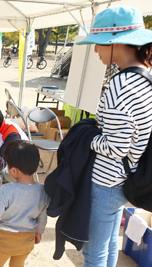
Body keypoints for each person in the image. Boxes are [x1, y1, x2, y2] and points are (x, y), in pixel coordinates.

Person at [76, 6, 152, 267]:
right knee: (109, 243)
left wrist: (87, 138)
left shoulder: (119, 84)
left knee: (93, 252)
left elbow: (116, 147)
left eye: (98, 43)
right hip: (132, 175)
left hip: (108, 180)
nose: (96, 50)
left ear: (115, 42)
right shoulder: (147, 77)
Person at [0, 140, 49, 267]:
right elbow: (43, 216)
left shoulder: (7, 190)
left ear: (13, 170)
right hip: (28, 239)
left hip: (6, 240)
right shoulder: (43, 191)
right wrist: (39, 232)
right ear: (36, 167)